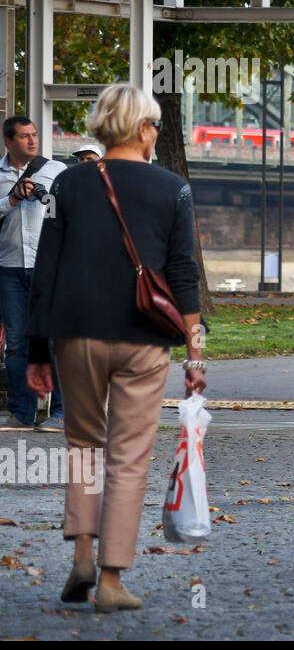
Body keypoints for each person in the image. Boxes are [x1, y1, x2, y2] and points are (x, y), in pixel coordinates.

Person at [26, 84, 204, 612]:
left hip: (75, 333)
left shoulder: (68, 184)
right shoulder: (174, 189)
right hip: (144, 339)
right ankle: (110, 579)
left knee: (84, 444)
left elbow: (46, 271)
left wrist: (37, 352)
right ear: (145, 129)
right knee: (127, 457)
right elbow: (184, 276)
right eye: (155, 127)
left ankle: (82, 551)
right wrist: (195, 354)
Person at [0, 116, 66, 430]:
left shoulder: (56, 171)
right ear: (8, 141)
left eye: (35, 135)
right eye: (24, 136)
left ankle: (61, 413)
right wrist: (12, 198)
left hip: (48, 267)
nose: (32, 141)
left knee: (55, 340)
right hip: (10, 268)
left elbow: (66, 212)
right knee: (16, 342)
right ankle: (21, 413)